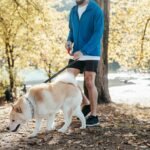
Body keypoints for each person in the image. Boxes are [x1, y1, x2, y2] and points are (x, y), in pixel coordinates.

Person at [65, 0, 104, 126]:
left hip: (91, 52)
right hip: (77, 52)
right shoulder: (73, 10)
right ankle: (85, 102)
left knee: (89, 81)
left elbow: (98, 34)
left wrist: (85, 51)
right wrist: (69, 41)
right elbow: (71, 30)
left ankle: (94, 115)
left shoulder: (96, 10)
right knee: (68, 79)